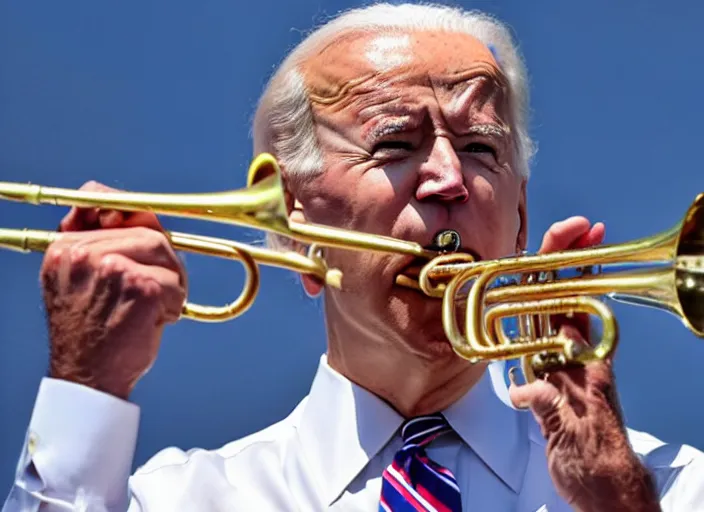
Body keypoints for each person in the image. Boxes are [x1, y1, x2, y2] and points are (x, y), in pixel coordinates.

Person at [3, 2, 704, 511]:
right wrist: (84, 384)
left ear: (520, 215)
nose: (449, 179)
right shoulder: (185, 498)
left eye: (481, 148)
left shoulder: (673, 486)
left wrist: (619, 503)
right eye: (396, 144)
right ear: (290, 219)